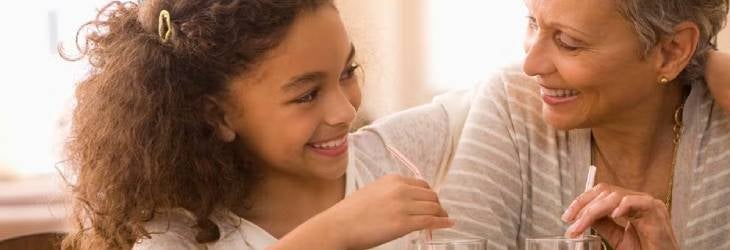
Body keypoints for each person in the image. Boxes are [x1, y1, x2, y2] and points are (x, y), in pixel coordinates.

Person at [60, 0, 455, 249]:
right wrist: (331, 234)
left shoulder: (388, 154)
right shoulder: (174, 239)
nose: (345, 112)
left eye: (346, 72)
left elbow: (503, 92)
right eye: (306, 95)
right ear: (218, 116)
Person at [435, 0, 730, 249]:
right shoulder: (514, 103)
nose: (531, 65)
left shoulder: (722, 128)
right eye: (533, 23)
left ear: (671, 51)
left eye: (568, 43)